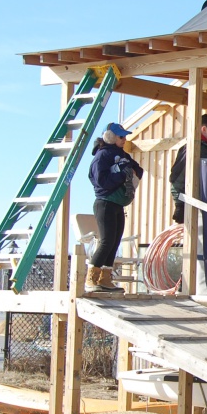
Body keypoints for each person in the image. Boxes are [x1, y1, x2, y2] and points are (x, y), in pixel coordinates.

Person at [88, 123, 143, 292]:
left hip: (118, 204)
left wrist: (132, 174)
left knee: (114, 242)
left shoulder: (122, 154)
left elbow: (137, 169)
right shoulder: (102, 156)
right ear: (110, 137)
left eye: (125, 136)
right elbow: (100, 180)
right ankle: (92, 278)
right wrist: (121, 175)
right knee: (106, 241)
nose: (124, 139)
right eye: (121, 137)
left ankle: (105, 278)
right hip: (105, 202)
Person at [169, 113, 207, 224]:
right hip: (192, 203)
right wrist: (180, 204)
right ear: (204, 129)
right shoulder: (191, 148)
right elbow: (177, 178)